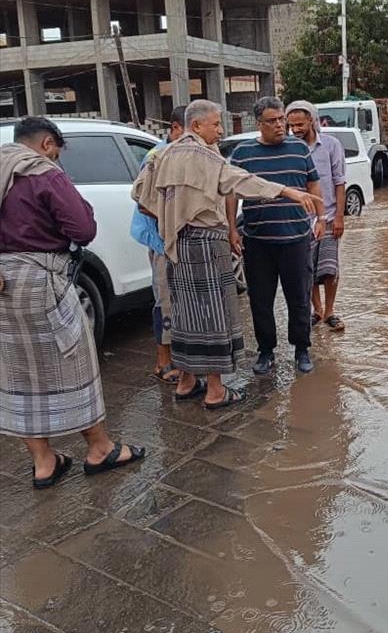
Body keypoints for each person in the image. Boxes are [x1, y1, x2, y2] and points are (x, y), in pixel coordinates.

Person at [132, 100, 321, 409]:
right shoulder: (205, 156)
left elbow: (141, 199)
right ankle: (216, 390)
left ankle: (186, 382)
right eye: (216, 124)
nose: (221, 131)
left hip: (176, 247)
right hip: (207, 244)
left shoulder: (161, 155)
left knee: (183, 315)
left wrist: (174, 215)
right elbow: (239, 182)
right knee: (214, 316)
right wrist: (286, 191)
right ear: (196, 126)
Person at [0, 117, 145, 489]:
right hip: (41, 280)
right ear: (47, 144)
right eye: (57, 154)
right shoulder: (44, 174)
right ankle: (100, 449)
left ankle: (44, 462)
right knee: (75, 361)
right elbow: (83, 230)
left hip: (2, 286)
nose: (56, 160)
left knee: (18, 372)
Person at [227, 96, 323, 376]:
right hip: (258, 241)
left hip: (296, 238)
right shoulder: (243, 153)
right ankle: (266, 351)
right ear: (259, 124)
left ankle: (301, 349)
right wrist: (232, 228)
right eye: (273, 121)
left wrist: (321, 218)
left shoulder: (299, 148)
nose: (280, 125)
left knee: (299, 298)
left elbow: (313, 183)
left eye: (282, 119)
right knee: (260, 300)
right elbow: (232, 193)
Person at [130, 105, 185, 384]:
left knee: (183, 303)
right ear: (175, 128)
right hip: (162, 241)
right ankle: (163, 362)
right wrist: (180, 217)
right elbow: (144, 204)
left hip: (181, 240)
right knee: (165, 301)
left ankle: (182, 358)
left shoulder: (184, 155)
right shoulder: (157, 158)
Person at [285, 100, 347, 332]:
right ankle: (317, 310)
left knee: (330, 268)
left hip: (328, 217)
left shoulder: (331, 145)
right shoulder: (289, 147)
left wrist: (339, 217)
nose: (295, 130)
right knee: (306, 268)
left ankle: (330, 311)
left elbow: (339, 182)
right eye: (291, 125)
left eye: (300, 124)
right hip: (300, 219)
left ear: (311, 120)